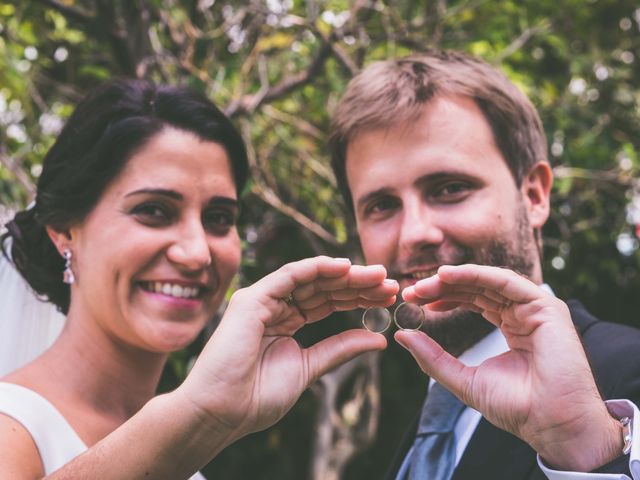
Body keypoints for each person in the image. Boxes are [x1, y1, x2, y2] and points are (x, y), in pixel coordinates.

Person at [0, 79, 400, 478]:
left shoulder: (189, 449)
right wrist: (201, 413)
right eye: (154, 211)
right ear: (64, 231)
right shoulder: (11, 430)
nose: (196, 254)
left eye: (219, 218)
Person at [328, 50, 640, 479]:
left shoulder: (630, 373)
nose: (414, 233)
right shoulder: (406, 425)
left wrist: (588, 452)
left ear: (533, 196)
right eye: (382, 205)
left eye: (450, 188)